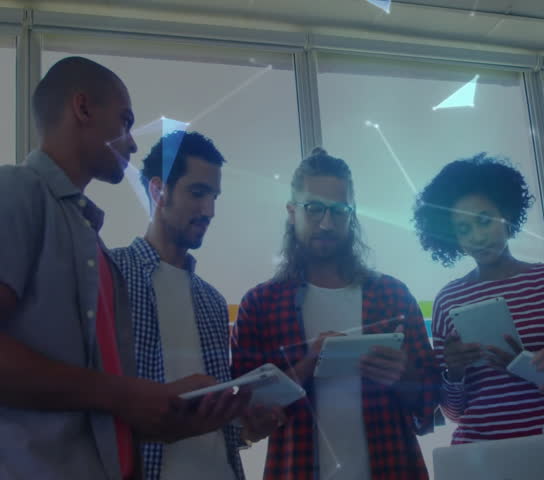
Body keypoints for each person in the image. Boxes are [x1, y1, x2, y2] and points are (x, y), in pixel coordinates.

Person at [0, 56, 248, 480]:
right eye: (126, 121)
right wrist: (125, 395)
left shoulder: (90, 243)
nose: (132, 143)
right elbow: (109, 394)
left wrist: (162, 422)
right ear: (82, 108)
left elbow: (97, 409)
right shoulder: (16, 191)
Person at [231, 148, 440, 480]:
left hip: (393, 468)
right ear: (291, 212)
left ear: (352, 215)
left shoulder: (392, 295)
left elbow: (430, 403)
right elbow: (245, 418)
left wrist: (404, 377)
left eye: (339, 211)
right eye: (314, 209)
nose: (326, 223)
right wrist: (308, 364)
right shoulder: (261, 305)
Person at [112, 131, 284, 480]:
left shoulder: (212, 301)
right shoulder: (112, 275)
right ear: (158, 191)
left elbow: (220, 428)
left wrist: (250, 427)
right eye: (198, 193)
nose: (210, 210)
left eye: (215, 196)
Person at [412, 154, 544, 444]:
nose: (477, 236)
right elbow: (454, 412)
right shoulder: (448, 301)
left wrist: (526, 366)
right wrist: (455, 371)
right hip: (478, 457)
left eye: (484, 221)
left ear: (507, 215)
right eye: (463, 229)